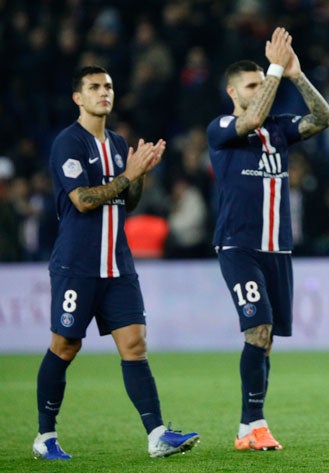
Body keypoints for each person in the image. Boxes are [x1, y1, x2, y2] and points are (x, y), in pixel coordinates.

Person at [34, 65, 199, 460]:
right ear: (78, 97)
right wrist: (129, 174)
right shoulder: (67, 143)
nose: (104, 92)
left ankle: (157, 434)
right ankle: (45, 436)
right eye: (94, 87)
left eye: (108, 86)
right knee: (65, 345)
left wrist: (140, 175)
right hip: (77, 264)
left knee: (135, 345)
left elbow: (128, 202)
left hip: (118, 265)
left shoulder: (116, 140)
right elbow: (83, 200)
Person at [206, 27, 329, 451]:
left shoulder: (278, 129)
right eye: (252, 84)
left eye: (263, 83)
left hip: (278, 248)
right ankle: (250, 426)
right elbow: (253, 118)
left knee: (266, 340)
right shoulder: (223, 127)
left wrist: (296, 75)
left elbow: (324, 119)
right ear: (232, 91)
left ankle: (253, 426)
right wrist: (277, 67)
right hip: (239, 246)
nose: (261, 89)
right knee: (258, 328)